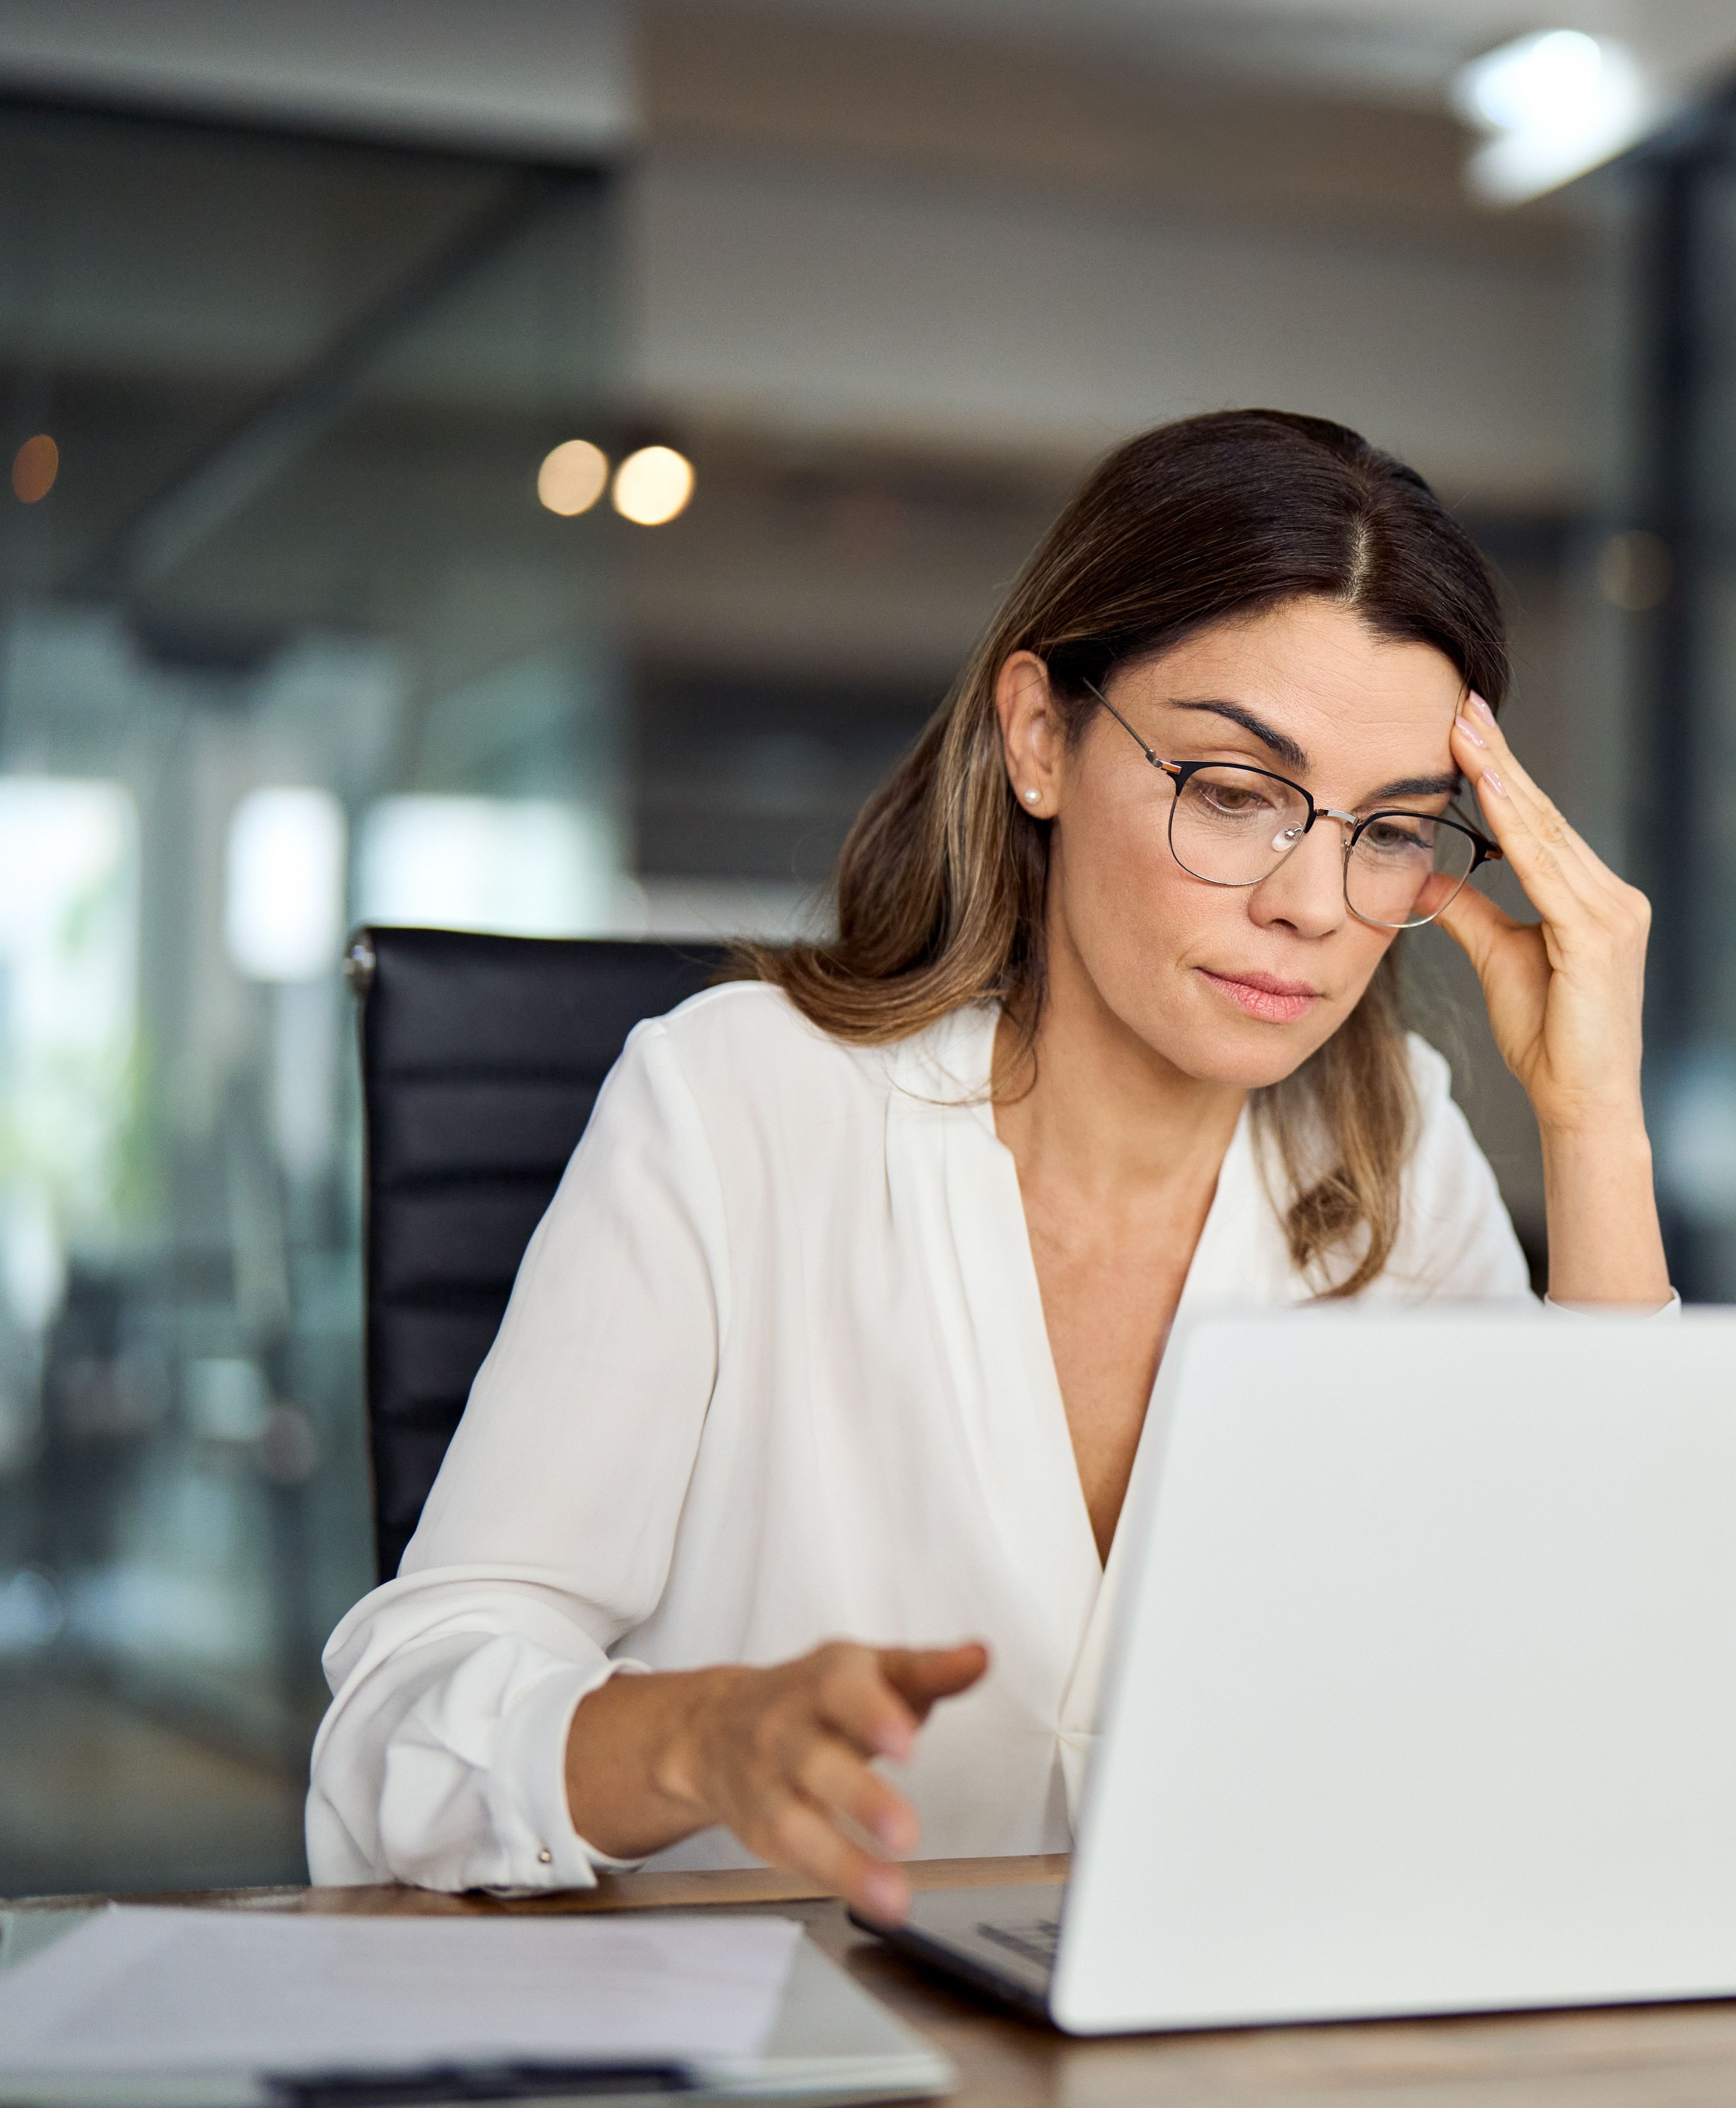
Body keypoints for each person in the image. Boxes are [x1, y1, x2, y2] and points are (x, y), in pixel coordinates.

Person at [307, 410, 1668, 1920]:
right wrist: (698, 1736)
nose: (1311, 903)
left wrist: (1594, 1124)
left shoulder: (1392, 1155)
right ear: (1038, 737)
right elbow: (394, 1728)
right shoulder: (741, 1102)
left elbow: (1597, 1713)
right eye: (1232, 790)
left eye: (1394, 828)